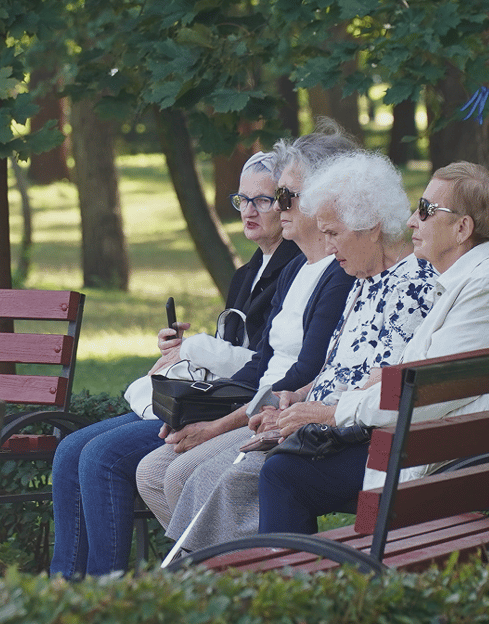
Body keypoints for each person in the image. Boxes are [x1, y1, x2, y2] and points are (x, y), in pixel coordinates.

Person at [147, 150, 437, 554]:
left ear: (372, 228)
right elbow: (337, 369)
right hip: (320, 427)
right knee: (210, 473)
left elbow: (380, 390)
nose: (328, 246)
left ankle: (247, 580)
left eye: (333, 233)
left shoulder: (410, 287)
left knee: (242, 477)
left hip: (357, 439)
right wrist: (294, 398)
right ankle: (222, 576)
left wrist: (305, 415)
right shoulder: (365, 277)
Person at [257, 161, 489, 536]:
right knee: (286, 467)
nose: (413, 221)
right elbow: (423, 376)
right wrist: (381, 383)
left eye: (427, 210)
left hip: (462, 462)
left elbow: (425, 393)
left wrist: (331, 414)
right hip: (448, 447)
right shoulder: (473, 282)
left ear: (462, 228)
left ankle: (286, 574)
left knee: (285, 473)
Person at [48, 150, 301, 578]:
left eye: (261, 200)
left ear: (285, 202)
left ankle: (105, 591)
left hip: (228, 406)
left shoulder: (296, 267)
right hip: (209, 394)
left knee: (100, 457)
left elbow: (262, 363)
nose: (249, 211)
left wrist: (198, 351)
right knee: (70, 448)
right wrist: (182, 349)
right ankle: (65, 587)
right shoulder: (247, 273)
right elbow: (234, 348)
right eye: (242, 200)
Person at [133, 129, 361, 534]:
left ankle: (232, 568)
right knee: (151, 471)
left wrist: (218, 425)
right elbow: (262, 363)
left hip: (284, 415)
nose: (278, 205)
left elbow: (305, 372)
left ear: (324, 198)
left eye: (283, 196)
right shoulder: (295, 267)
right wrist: (204, 407)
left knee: (182, 473)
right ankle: (221, 566)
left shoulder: (339, 273)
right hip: (258, 406)